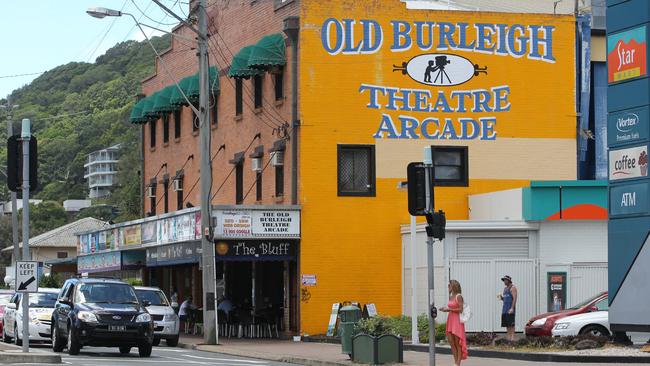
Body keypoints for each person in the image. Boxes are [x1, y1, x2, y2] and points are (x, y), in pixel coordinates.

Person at [440, 280, 468, 366]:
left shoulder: (459, 296)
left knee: (457, 343)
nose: (448, 286)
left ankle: (458, 363)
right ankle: (455, 362)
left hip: (457, 321)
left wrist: (449, 309)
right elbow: (451, 307)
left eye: (449, 285)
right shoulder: (451, 296)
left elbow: (461, 309)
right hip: (450, 320)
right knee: (451, 342)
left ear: (454, 286)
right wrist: (445, 309)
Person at [499, 275, 518, 341]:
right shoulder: (505, 289)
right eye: (504, 280)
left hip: (510, 309)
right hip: (505, 309)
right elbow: (505, 299)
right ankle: (509, 337)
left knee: (511, 324)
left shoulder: (513, 288)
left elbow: (514, 299)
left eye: (505, 280)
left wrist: (512, 308)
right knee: (507, 324)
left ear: (509, 280)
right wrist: (502, 298)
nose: (504, 281)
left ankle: (512, 338)